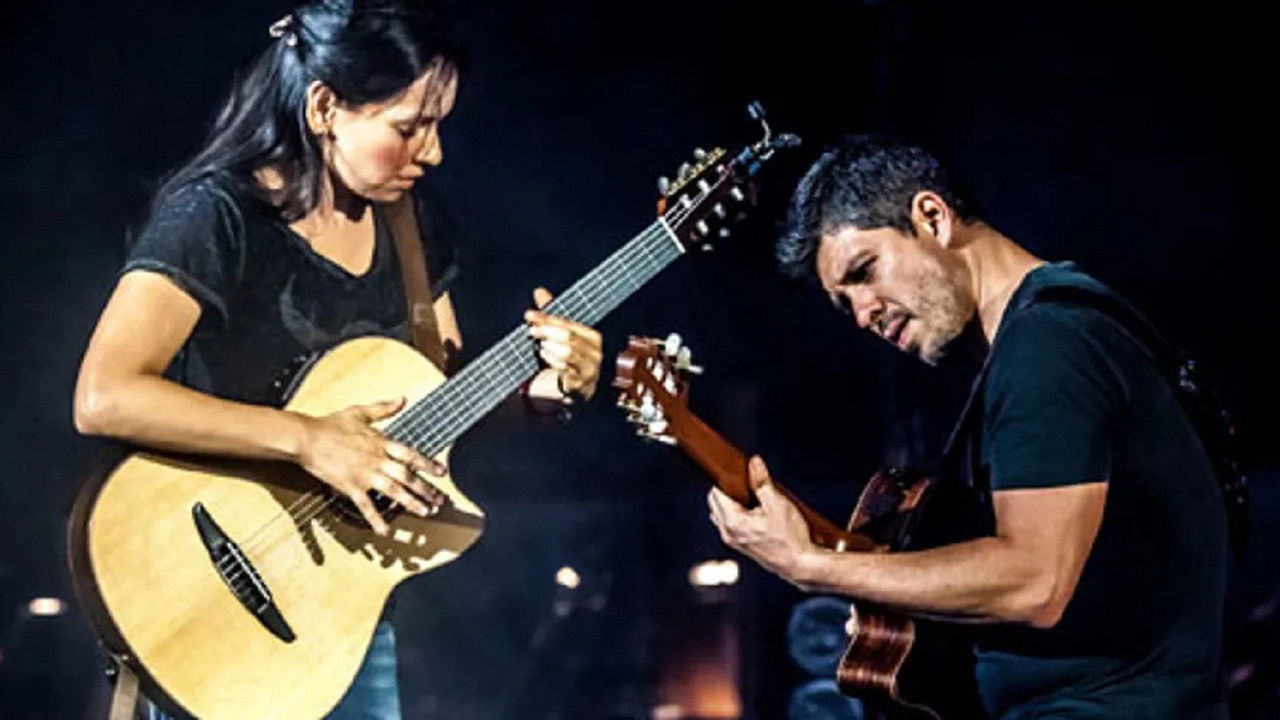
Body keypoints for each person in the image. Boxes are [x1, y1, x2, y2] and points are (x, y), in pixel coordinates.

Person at [72, 1, 603, 717]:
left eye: (439, 126)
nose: (434, 152)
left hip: (339, 620)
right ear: (325, 107)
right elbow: (104, 395)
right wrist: (310, 441)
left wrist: (541, 391)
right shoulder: (217, 216)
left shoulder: (413, 226)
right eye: (409, 127)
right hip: (200, 597)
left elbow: (438, 403)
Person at [707, 135, 1227, 718]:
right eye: (844, 302)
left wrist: (812, 566)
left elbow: (1033, 581)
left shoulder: (1047, 346)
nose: (862, 314)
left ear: (932, 216)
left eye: (865, 270)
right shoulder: (1050, 339)